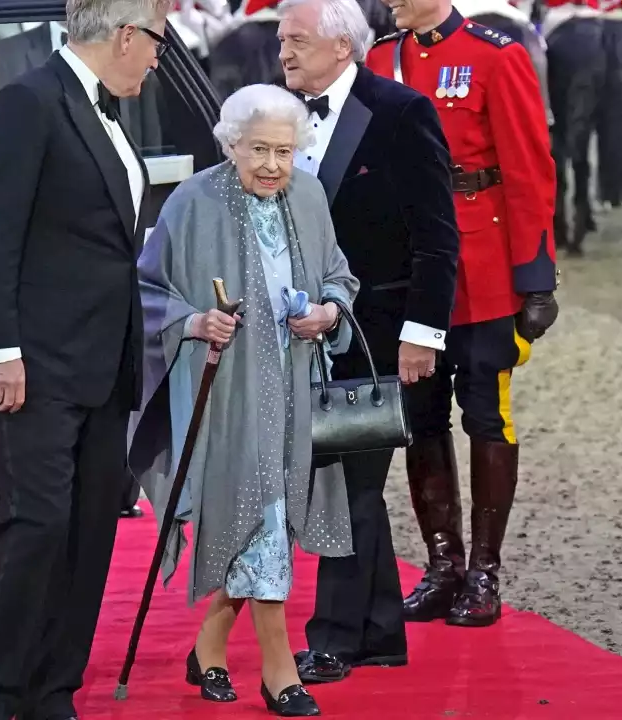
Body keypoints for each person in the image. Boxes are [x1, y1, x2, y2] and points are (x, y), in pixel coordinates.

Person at [0, 0, 170, 717]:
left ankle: (52, 691)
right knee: (37, 522)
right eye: (158, 42)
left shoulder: (105, 112)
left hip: (102, 367)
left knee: (88, 530)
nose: (161, 57)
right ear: (127, 36)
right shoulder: (27, 103)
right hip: (32, 367)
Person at [127, 83, 360, 718]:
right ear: (230, 145)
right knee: (259, 514)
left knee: (269, 516)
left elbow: (339, 272)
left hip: (294, 388)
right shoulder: (192, 201)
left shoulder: (308, 195)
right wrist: (196, 321)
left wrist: (328, 311)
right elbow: (145, 290)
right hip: (225, 391)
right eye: (258, 149)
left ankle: (208, 649)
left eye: (284, 152)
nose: (272, 166)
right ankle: (280, 672)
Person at [272, 0, 460, 685]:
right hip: (303, 339)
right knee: (351, 485)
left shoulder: (403, 113)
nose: (284, 53)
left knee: (345, 489)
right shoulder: (277, 117)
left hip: (381, 337)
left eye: (296, 40)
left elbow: (439, 236)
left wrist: (422, 335)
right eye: (281, 40)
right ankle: (379, 632)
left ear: (342, 47)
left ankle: (333, 639)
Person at [365, 0, 559, 628]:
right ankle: (443, 567)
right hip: (411, 273)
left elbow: (530, 168)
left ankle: (484, 572)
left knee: (485, 417)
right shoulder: (379, 58)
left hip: (481, 270)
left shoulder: (494, 56)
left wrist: (535, 276)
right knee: (421, 418)